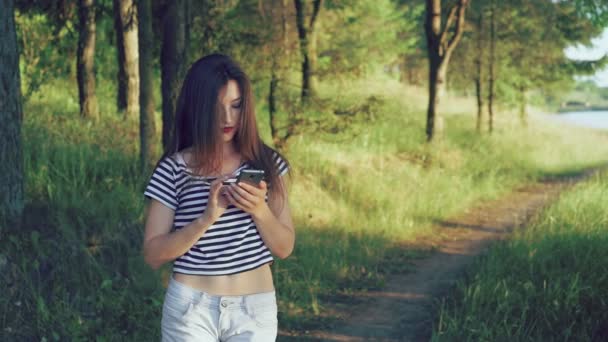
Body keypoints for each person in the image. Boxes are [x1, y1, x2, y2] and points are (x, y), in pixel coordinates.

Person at [142, 53, 295, 341]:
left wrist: (259, 210)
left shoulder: (268, 163)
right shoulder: (174, 168)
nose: (228, 118)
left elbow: (285, 247)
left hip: (254, 309)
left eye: (236, 106)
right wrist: (206, 218)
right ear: (198, 109)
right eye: (216, 108)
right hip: (190, 310)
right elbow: (152, 254)